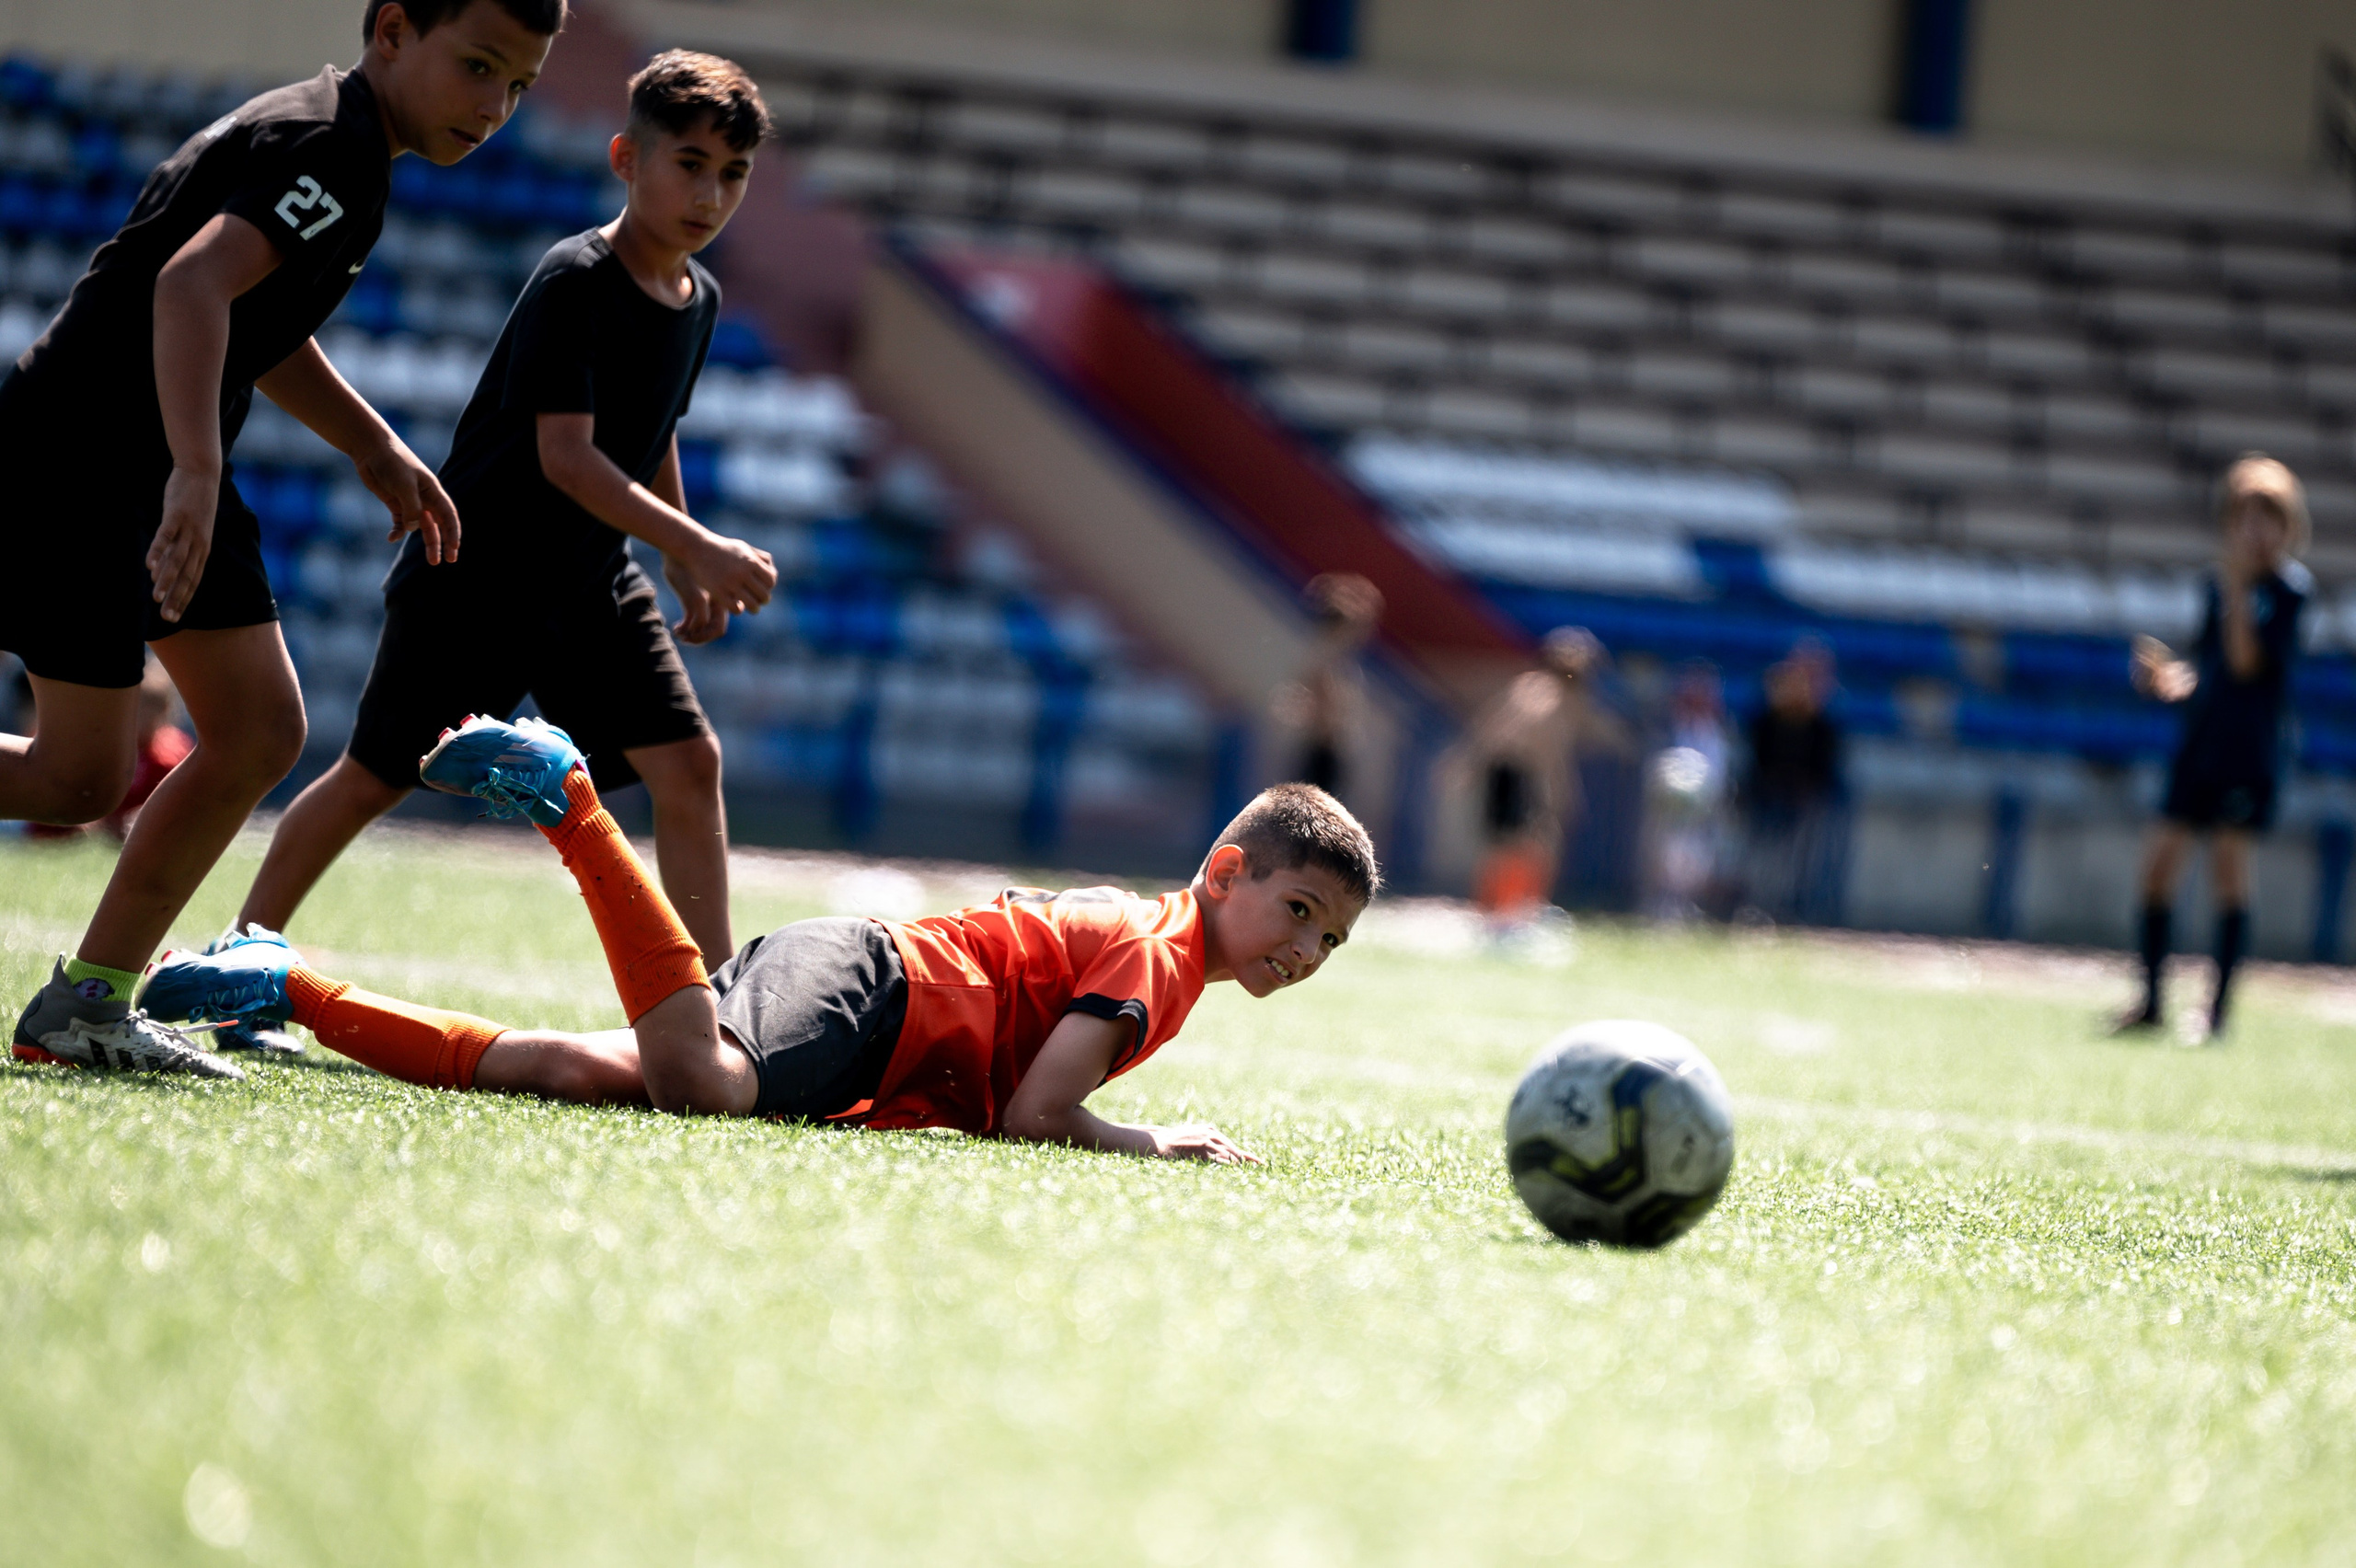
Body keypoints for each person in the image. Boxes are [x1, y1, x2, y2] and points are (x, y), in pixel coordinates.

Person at [4, 0, 566, 1080]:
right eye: (479, 66)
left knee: (258, 729)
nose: (494, 106)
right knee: (81, 778)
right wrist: (198, 472)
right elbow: (190, 285)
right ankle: (84, 1007)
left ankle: (86, 1004)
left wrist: (373, 446)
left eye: (520, 86)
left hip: (156, 460)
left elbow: (254, 322)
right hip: (86, 456)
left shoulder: (347, 144)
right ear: (393, 32)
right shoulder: (329, 147)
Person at [139, 716, 1377, 1159]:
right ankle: (571, 800)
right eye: (1298, 912)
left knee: (573, 1073)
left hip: (864, 1012)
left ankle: (285, 984)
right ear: (1224, 874)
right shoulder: (1166, 959)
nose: (1307, 952)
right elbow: (1040, 1116)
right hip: (873, 989)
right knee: (702, 1085)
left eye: (1331, 941)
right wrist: (1149, 1142)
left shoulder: (1169, 945)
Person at [227, 51, 777, 1005]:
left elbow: (651, 432)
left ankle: (726, 1008)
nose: (709, 193)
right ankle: (238, 955)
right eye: (688, 164)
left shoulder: (701, 299)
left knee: (690, 765)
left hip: (593, 581)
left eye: (732, 174)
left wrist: (677, 550)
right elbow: (567, 458)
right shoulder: (576, 279)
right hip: (478, 571)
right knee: (376, 774)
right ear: (626, 159)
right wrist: (694, 547)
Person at [2119, 453, 2311, 1043]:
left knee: (2228, 876)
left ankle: (2217, 1013)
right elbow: (2210, 670)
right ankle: (2151, 1001)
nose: (2255, 530)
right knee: (2157, 871)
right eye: (2246, 516)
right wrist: (2167, 681)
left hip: (2246, 752)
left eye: (2268, 518)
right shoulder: (2217, 586)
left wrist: (2235, 588)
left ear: (2287, 526)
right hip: (2198, 744)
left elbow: (2248, 661)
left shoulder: (2286, 592)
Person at [1451, 627, 1630, 922]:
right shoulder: (1556, 698)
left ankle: (1498, 910)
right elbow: (1544, 750)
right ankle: (1511, 912)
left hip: (1506, 773)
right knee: (1528, 846)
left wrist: (1470, 765)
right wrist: (1561, 792)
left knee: (1507, 846)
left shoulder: (1529, 685)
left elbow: (1490, 729)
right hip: (1523, 776)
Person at [20, 659, 196, 845]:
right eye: (137, 708)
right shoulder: (96, 739)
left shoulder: (170, 752)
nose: (142, 718)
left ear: (164, 711)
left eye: (150, 709)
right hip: (73, 825)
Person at [1738, 641, 1842, 923]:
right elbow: (1758, 755)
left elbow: (1824, 766)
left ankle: (1789, 911)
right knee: (1761, 860)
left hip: (1804, 803)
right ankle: (1757, 907)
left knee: (1796, 863)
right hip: (1767, 798)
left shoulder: (1822, 724)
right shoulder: (1766, 718)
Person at [1272, 572, 1383, 803]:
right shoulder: (1327, 660)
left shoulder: (1337, 660)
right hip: (1321, 749)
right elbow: (1318, 709)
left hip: (1327, 750)